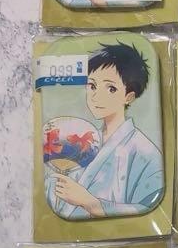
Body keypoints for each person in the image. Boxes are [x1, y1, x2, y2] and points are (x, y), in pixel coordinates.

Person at [45, 42, 163, 219]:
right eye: (92, 86)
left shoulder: (145, 151)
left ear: (129, 96)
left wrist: (89, 202)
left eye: (111, 88)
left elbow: (148, 207)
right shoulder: (84, 142)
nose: (96, 96)